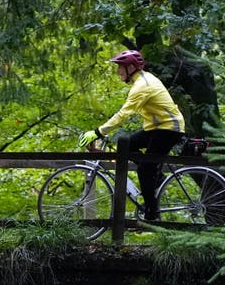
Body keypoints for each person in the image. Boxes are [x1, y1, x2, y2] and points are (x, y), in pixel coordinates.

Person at [78, 50, 185, 221]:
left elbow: (123, 114)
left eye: (120, 67)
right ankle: (156, 176)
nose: (117, 71)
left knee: (144, 169)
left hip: (168, 129)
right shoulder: (141, 81)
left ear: (131, 67)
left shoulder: (143, 86)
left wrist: (98, 132)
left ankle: (152, 213)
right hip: (156, 128)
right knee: (127, 145)